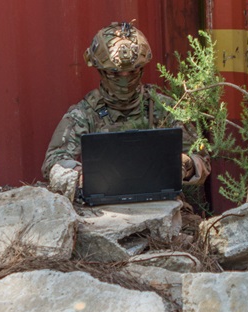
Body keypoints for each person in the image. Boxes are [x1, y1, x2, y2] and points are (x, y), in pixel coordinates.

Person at [43, 21, 210, 199]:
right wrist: (83, 177)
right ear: (100, 71)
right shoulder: (84, 114)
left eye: (132, 72)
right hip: (102, 210)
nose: (124, 80)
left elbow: (202, 159)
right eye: (115, 74)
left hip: (160, 205)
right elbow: (53, 163)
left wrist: (186, 164)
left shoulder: (163, 108)